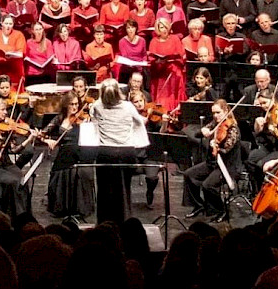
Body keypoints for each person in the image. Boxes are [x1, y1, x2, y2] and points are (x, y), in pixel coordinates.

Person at [89, 77, 149, 224]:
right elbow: (139, 122)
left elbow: (93, 124)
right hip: (126, 152)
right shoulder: (128, 106)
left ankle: (104, 223)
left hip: (105, 152)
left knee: (104, 189)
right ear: (118, 92)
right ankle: (124, 221)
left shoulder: (97, 106)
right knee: (124, 189)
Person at [183, 98, 241, 221]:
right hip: (212, 163)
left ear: (226, 111)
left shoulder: (233, 128)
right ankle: (199, 205)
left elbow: (226, 149)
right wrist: (203, 131)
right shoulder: (214, 124)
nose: (215, 116)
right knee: (189, 174)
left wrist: (215, 145)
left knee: (208, 185)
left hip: (227, 166)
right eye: (213, 113)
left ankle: (221, 210)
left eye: (218, 112)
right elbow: (198, 134)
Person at [43, 91, 95, 219]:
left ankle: (78, 208)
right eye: (72, 104)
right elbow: (42, 134)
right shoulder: (59, 119)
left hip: (79, 153)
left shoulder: (83, 119)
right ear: (66, 105)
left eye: (77, 104)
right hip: (63, 154)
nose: (75, 107)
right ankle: (61, 207)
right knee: (57, 172)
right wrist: (48, 140)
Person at [246, 91, 278, 190]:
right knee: (251, 159)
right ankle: (255, 189)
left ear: (272, 100)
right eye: (261, 103)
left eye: (265, 103)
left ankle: (264, 189)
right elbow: (257, 132)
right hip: (270, 147)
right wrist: (257, 124)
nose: (263, 106)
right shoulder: (264, 112)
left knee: (260, 164)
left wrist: (274, 131)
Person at [148, 17, 186, 109]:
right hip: (159, 69)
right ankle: (162, 107)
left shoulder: (175, 38)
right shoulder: (154, 41)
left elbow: (181, 54)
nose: (164, 30)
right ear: (158, 29)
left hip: (173, 67)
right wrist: (158, 61)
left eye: (165, 27)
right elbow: (151, 58)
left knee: (176, 73)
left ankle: (174, 107)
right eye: (161, 27)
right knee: (159, 76)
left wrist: (173, 59)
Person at [0, 16, 26, 86]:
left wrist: (10, 54)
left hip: (14, 68)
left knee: (14, 90)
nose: (8, 26)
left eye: (10, 24)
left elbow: (21, 53)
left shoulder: (19, 34)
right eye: (6, 23)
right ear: (2, 23)